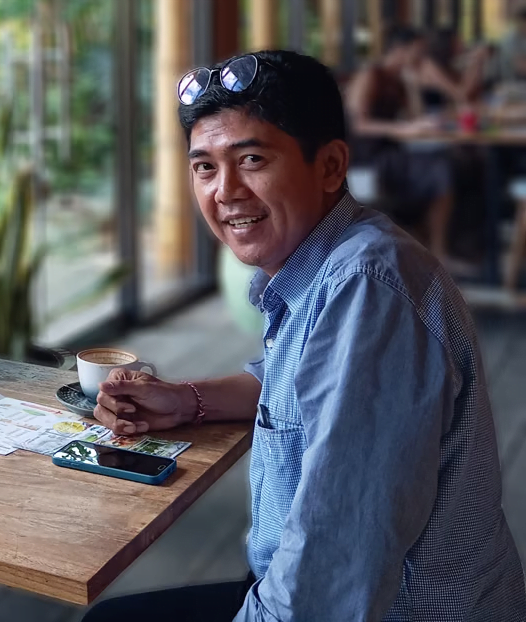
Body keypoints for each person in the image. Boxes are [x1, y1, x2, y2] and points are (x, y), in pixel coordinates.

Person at [84, 50, 526, 621]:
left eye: (252, 158)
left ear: (330, 166)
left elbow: (337, 557)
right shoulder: (324, 263)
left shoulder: (368, 288)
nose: (226, 191)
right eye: (205, 167)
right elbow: (298, 379)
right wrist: (187, 399)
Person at [346, 26, 456, 260]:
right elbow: (359, 125)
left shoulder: (398, 79)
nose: (421, 58)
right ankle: (437, 251)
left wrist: (412, 83)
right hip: (367, 159)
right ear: (400, 49)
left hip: (391, 153)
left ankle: (433, 246)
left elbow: (414, 115)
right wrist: (403, 128)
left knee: (450, 162)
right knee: (441, 170)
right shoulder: (371, 75)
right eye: (418, 51)